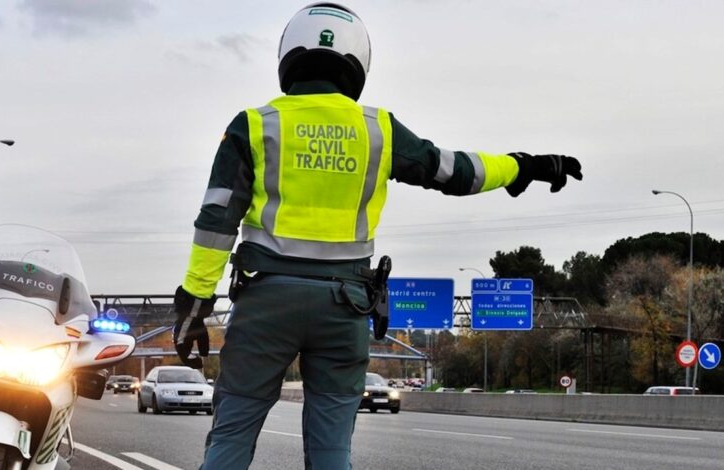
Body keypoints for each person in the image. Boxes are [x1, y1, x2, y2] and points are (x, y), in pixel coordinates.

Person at [172, 3, 583, 469]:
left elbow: (217, 220)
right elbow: (452, 169)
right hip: (344, 307)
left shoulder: (254, 124)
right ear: (357, 62)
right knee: (331, 449)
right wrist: (522, 166)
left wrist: (195, 299)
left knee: (231, 435)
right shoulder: (377, 130)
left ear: (287, 56)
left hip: (266, 303)